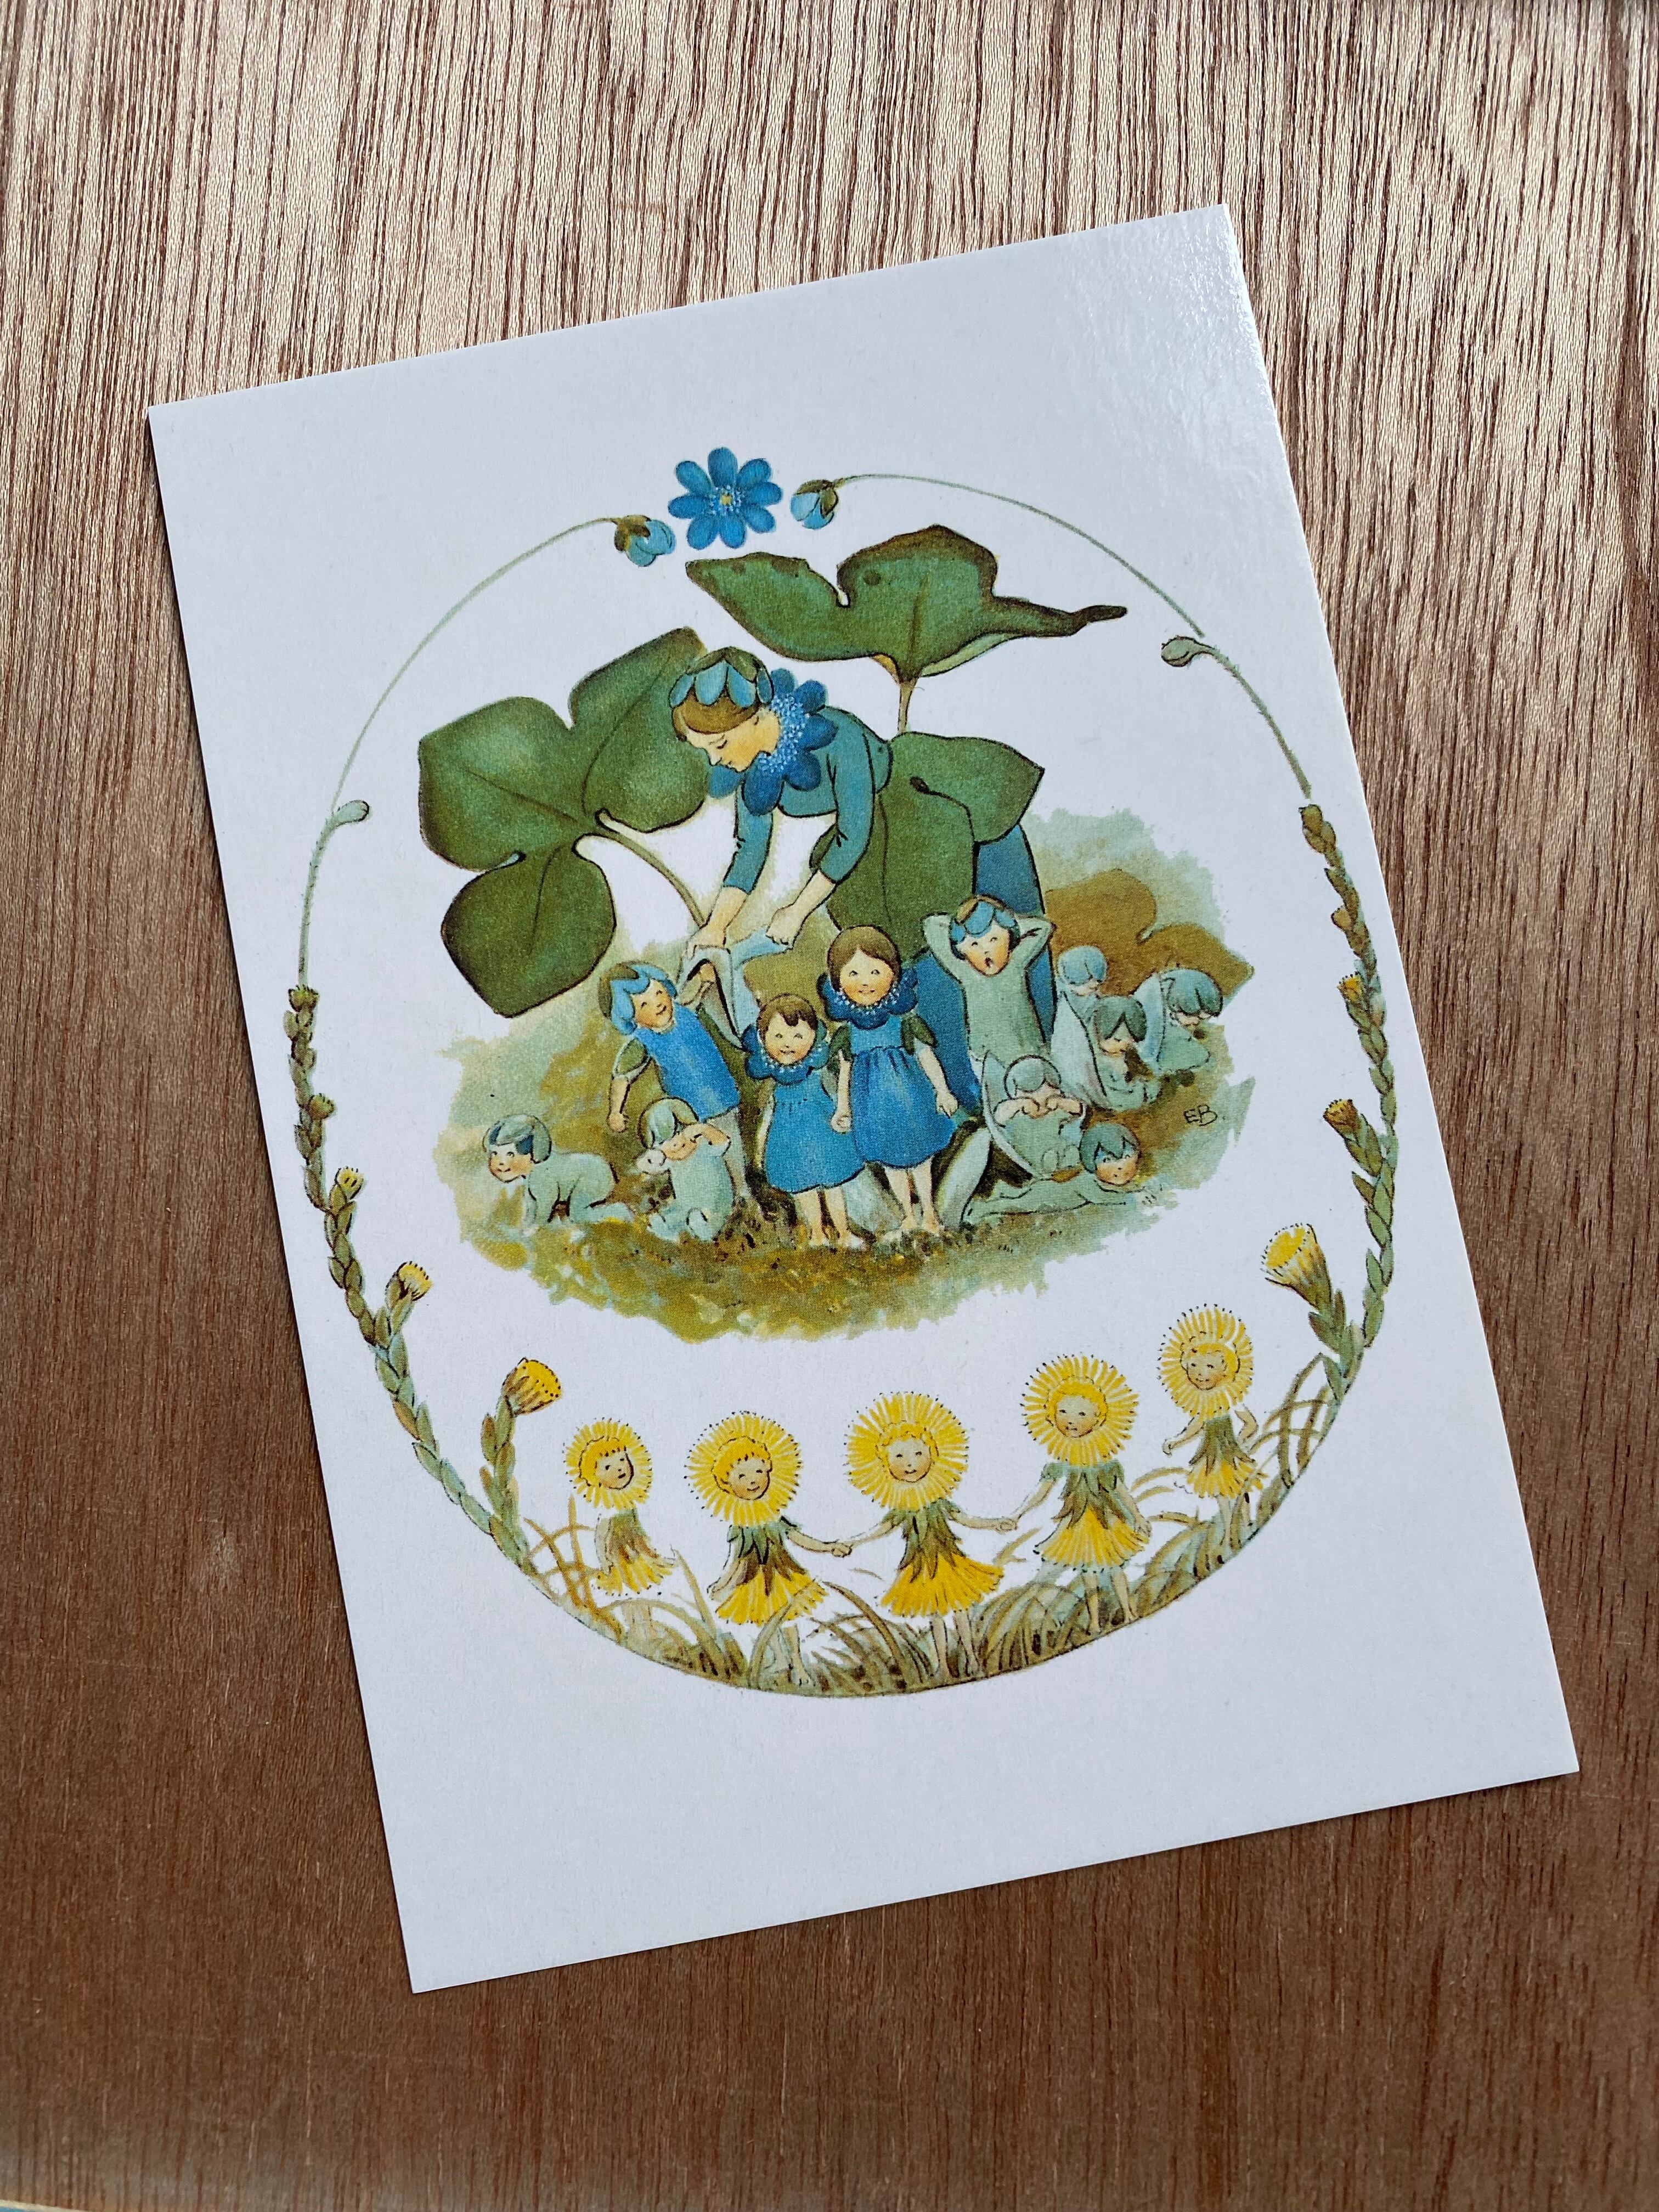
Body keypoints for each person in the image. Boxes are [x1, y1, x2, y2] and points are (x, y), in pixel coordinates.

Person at [667, 648, 1051, 1106]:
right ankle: (971, 1096)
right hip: (884, 855)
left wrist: (797, 911)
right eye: (707, 751)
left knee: (1011, 942)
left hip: (937, 807)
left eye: (720, 745)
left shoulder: (836, 734)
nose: (716, 761)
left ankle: (1044, 1069)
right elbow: (749, 853)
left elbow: (853, 834)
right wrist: (715, 926)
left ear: (754, 718)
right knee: (919, 965)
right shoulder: (756, 773)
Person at [842, 1392, 1014, 1681]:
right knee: (935, 1616)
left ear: (934, 1456)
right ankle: (943, 1666)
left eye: (918, 1454)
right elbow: (881, 1530)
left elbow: (965, 1519)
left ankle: (972, 1659)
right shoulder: (901, 1508)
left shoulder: (938, 1501)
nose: (910, 1464)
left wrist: (994, 1524)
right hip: (920, 1567)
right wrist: (853, 1542)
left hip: (949, 1562)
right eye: (899, 1456)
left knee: (960, 1610)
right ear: (884, 1463)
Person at [821, 926, 960, 1238]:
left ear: (894, 975)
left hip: (912, 1102)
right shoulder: (848, 1034)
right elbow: (845, 1073)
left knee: (921, 1160)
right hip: (873, 1110)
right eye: (853, 973)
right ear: (838, 982)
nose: (865, 982)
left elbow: (926, 1056)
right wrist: (843, 1108)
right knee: (891, 1165)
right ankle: (908, 1216)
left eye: (875, 971)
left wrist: (943, 1091)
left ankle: (930, 1214)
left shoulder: (904, 1023)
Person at [685, 1413, 850, 1649]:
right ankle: (779, 1660)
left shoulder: (774, 1518)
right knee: (768, 1624)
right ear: (726, 1484)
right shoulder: (742, 1527)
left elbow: (798, 1538)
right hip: (754, 1581)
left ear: (769, 1470)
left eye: (759, 1472)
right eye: (742, 1475)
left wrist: (828, 1547)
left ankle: (796, 1661)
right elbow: (737, 1560)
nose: (753, 1480)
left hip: (784, 1575)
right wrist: (723, 1584)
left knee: (789, 1620)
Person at [1012, 1353, 1150, 1633]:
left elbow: (1120, 1490)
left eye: (1082, 1414)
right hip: (1077, 1524)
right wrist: (1018, 1514)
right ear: (1051, 1416)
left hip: (1107, 1521)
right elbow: (1042, 1493)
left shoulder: (1105, 1462)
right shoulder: (1061, 1463)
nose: (1071, 1421)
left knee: (1115, 1568)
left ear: (1099, 1420)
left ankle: (1129, 1611)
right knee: (1089, 1574)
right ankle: (1095, 1622)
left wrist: (1137, 1516)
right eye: (1063, 1412)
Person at [603, 962, 747, 1209]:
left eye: (659, 992)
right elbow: (622, 1076)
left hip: (721, 1094)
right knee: (703, 1161)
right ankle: (713, 1203)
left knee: (732, 1147)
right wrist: (615, 1111)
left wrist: (704, 978)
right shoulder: (643, 1042)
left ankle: (742, 1193)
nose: (657, 1003)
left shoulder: (684, 1010)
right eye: (644, 1005)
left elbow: (696, 991)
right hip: (689, 1112)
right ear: (632, 1018)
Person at [745, 992, 866, 1249]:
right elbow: (768, 1114)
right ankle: (817, 1234)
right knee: (804, 1189)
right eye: (778, 1036)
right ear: (763, 1039)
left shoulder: (817, 1069)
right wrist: (761, 1146)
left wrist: (842, 1112)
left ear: (814, 1037)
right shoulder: (774, 1078)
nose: (787, 1044)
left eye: (798, 1036)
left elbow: (840, 1085)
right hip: (789, 1139)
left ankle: (844, 1233)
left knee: (833, 1184)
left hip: (822, 1133)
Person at [921, 898, 1054, 1085]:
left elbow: (1044, 927)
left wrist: (1006, 920)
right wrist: (964, 921)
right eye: (975, 945)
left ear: (1010, 939)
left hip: (1029, 1050)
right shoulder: (964, 971)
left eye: (994, 939)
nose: (986, 951)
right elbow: (931, 925)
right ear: (962, 951)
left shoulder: (1017, 960)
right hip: (987, 1058)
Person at [1159, 1307, 1262, 1503]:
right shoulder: (1204, 1402)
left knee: (1238, 1490)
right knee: (1220, 1493)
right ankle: (1230, 1523)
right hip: (1210, 1457)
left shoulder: (1230, 1398)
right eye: (1194, 1365)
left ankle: (1242, 1518)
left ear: (1226, 1369)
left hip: (1229, 1456)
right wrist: (1178, 1440)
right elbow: (1197, 1425)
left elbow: (1251, 1424)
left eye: (1210, 1366)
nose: (1200, 1373)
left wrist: (1239, 1445)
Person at [565, 1418, 672, 1595]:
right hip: (618, 1561)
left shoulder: (630, 1504)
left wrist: (649, 1550)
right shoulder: (609, 1512)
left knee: (649, 1580)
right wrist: (605, 1564)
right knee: (626, 1587)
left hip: (639, 1556)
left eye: (622, 1459)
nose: (620, 1469)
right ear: (594, 1478)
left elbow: (638, 1528)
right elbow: (602, 1538)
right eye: (608, 1467)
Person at [483, 1114, 630, 1227]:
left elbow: (546, 1203)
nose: (500, 1162)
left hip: (594, 1175)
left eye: (510, 1154)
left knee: (577, 1215)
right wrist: (528, 1223)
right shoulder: (531, 1176)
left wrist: (538, 1226)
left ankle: (618, 1212)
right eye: (495, 1154)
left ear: (532, 1153)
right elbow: (532, 1202)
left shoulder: (541, 1175)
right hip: (590, 1171)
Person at [633, 1098, 737, 1244]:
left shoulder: (704, 1148)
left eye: (678, 1134)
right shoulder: (670, 1160)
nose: (673, 1145)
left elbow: (724, 1141)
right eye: (662, 1143)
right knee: (667, 1216)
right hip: (685, 1206)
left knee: (696, 1217)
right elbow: (645, 1166)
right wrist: (653, 1155)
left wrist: (701, 1129)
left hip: (713, 1207)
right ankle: (671, 1233)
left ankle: (706, 1232)